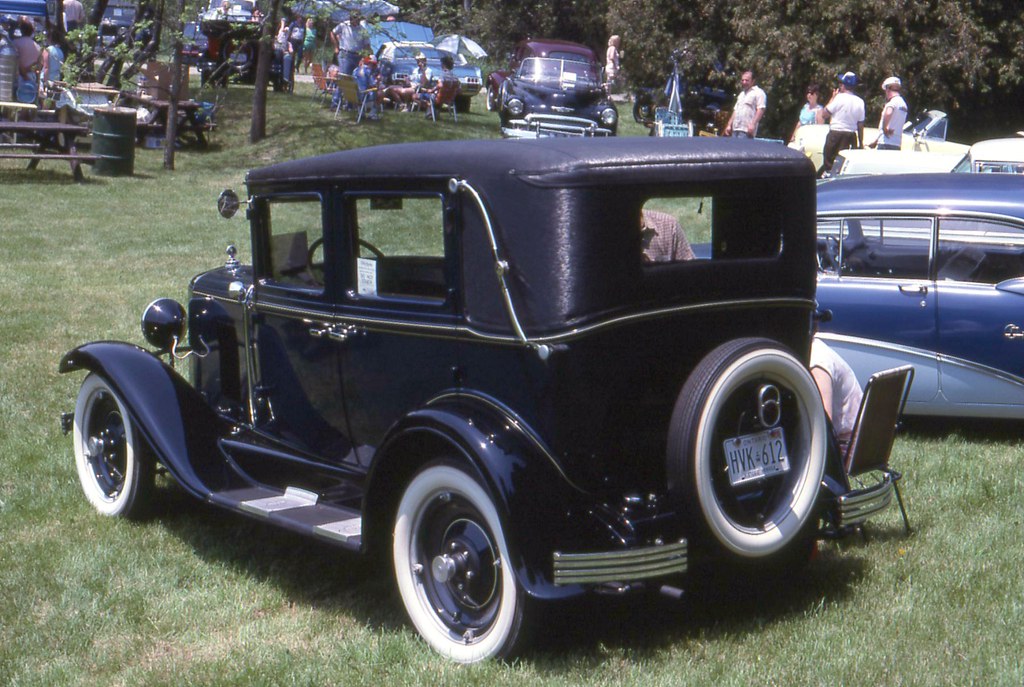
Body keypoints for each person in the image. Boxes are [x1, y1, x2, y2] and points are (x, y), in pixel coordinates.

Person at [810, 336, 863, 450]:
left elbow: (824, 424)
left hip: (846, 445)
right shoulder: (816, 347)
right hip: (855, 437)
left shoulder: (816, 362)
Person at [820, 71, 865, 174]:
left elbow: (824, 114)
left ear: (844, 85)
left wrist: (832, 98)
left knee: (829, 165)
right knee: (844, 167)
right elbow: (860, 124)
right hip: (850, 136)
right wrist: (861, 142)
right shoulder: (860, 102)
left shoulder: (839, 98)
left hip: (836, 134)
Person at [724, 70, 766, 138]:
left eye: (747, 80)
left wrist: (753, 124)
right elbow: (735, 110)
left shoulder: (759, 93)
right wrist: (729, 125)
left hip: (746, 130)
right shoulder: (741, 94)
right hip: (736, 128)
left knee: (742, 148)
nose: (744, 82)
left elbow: (761, 109)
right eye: (742, 80)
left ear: (753, 81)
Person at [870, 76, 908, 150]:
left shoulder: (892, 102)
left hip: (885, 143)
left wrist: (885, 129)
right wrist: (876, 141)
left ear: (888, 89)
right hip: (897, 143)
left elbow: (888, 113)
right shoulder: (903, 104)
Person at [11, 17, 41, 104]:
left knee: (14, 99)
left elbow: (16, 60)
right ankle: (26, 115)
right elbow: (38, 64)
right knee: (28, 98)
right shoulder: (37, 46)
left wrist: (23, 74)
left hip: (17, 75)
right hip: (31, 75)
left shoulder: (16, 43)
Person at [352, 54, 382, 119]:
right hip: (363, 96)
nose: (374, 67)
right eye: (374, 65)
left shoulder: (355, 70)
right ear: (371, 64)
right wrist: (378, 81)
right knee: (380, 93)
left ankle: (361, 112)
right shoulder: (368, 71)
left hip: (353, 95)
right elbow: (373, 85)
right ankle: (372, 114)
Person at [274, 18, 294, 87]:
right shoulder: (276, 31)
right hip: (276, 50)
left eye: (284, 22)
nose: (283, 22)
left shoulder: (287, 29)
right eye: (282, 21)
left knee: (287, 57)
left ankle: (285, 78)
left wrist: (283, 23)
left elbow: (283, 30)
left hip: (283, 50)